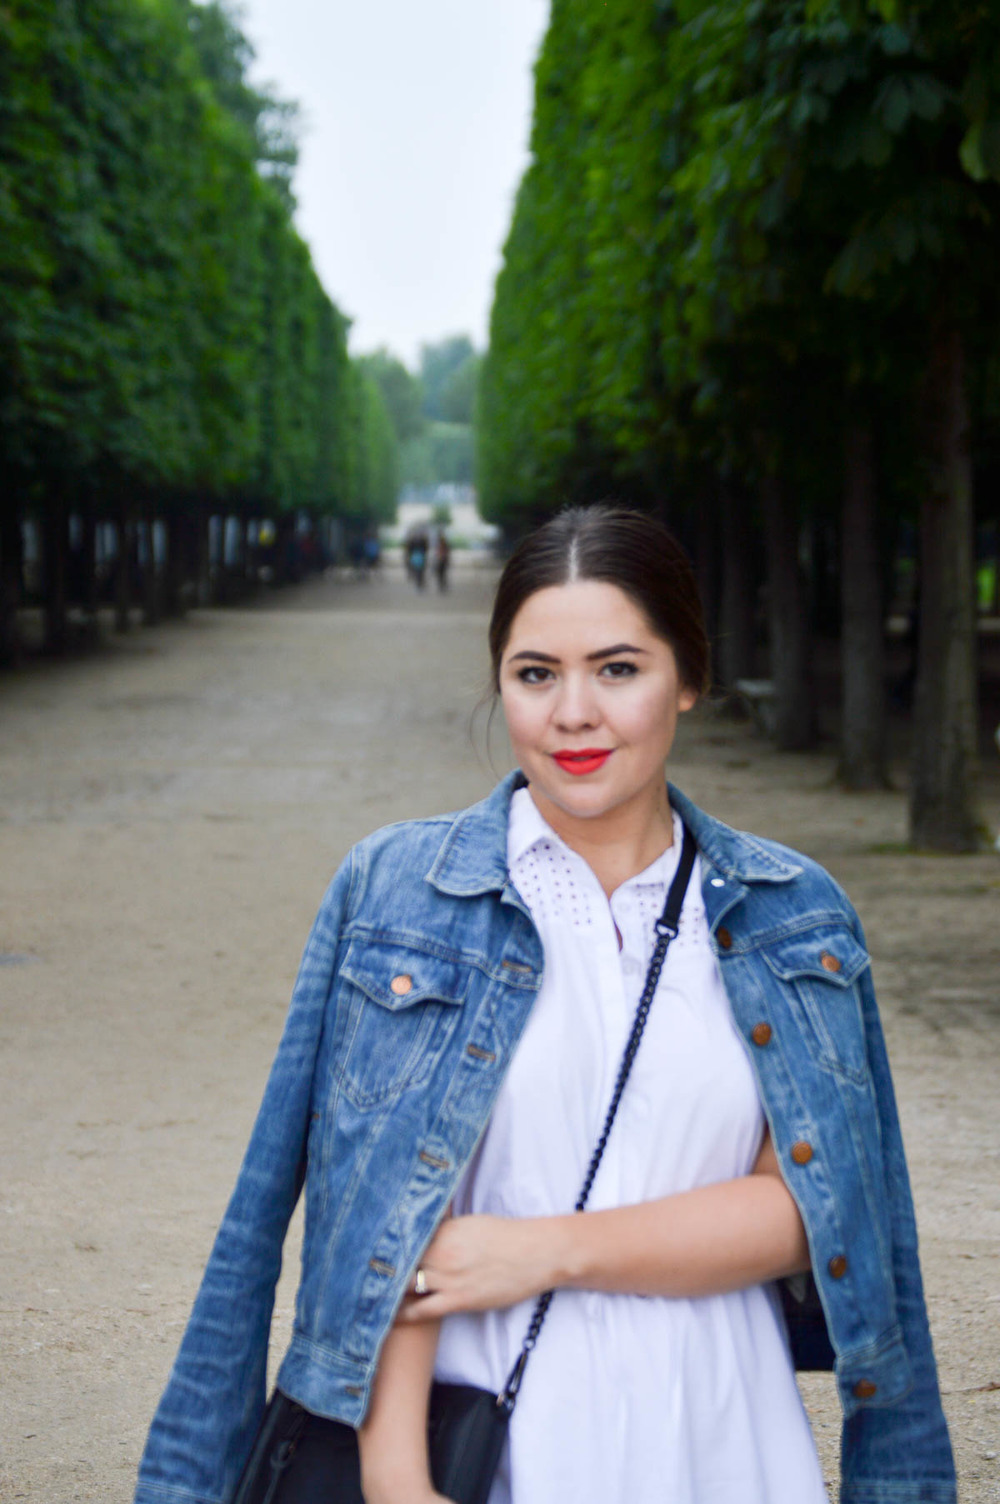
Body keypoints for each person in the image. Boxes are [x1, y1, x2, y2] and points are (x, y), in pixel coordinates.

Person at [133, 506, 955, 1504]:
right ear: (501, 683)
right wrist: (395, 1478)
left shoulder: (795, 913)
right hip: (483, 1448)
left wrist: (534, 1251)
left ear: (687, 680)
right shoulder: (399, 894)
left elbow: (822, 1213)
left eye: (617, 668)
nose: (573, 712)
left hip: (721, 1435)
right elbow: (359, 1205)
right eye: (535, 673)